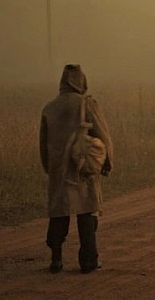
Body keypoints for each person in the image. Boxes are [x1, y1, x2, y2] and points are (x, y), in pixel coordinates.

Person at [39, 64, 113, 274]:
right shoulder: (87, 104)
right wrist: (108, 164)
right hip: (83, 169)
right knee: (87, 213)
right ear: (82, 81)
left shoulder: (49, 108)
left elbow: (43, 143)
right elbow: (104, 136)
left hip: (58, 170)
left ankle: (56, 259)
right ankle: (88, 261)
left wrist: (49, 167)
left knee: (59, 213)